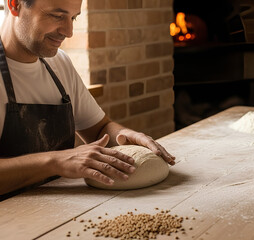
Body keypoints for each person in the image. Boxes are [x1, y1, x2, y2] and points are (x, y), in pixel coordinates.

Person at [0, 0, 175, 197]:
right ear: (14, 5)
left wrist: (126, 136)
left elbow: (100, 129)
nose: (69, 31)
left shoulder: (60, 64)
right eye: (57, 16)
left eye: (73, 18)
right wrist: (55, 162)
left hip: (57, 212)